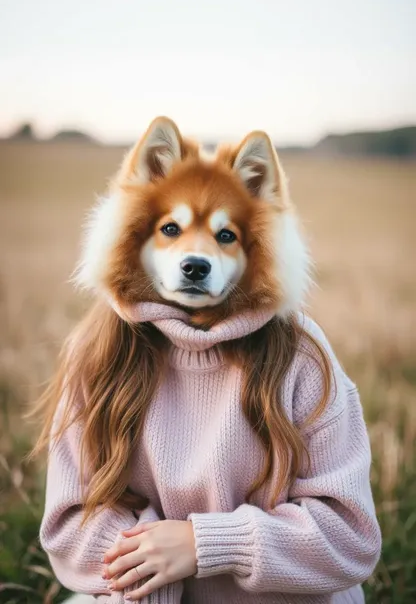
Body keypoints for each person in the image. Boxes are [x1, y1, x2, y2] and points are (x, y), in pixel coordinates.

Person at [35, 117, 381, 603]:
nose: (195, 255)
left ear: (258, 248)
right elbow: (71, 523)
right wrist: (153, 576)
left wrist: (207, 544)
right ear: (134, 236)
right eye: (170, 229)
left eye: (225, 237)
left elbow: (348, 537)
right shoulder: (96, 353)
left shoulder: (303, 357)